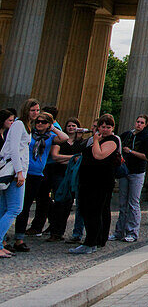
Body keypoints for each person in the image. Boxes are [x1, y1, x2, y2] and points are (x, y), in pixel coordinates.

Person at [11, 109, 65, 251]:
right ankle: (9, 236)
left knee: (27, 205)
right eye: (38, 121)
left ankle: (19, 237)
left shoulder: (50, 136)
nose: (40, 124)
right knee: (18, 206)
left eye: (43, 122)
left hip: (37, 174)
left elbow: (65, 138)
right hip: (24, 172)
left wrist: (53, 126)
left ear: (48, 124)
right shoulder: (29, 133)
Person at [69, 114, 120, 254]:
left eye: (108, 127)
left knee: (94, 211)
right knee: (87, 209)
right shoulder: (95, 139)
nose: (104, 130)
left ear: (112, 128)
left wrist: (96, 141)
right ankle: (95, 239)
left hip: (100, 181)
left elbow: (99, 155)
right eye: (102, 127)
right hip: (88, 180)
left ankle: (91, 242)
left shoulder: (112, 140)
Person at [112, 114, 148, 242]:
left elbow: (147, 156)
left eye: (141, 122)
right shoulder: (127, 135)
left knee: (133, 203)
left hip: (137, 172)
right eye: (137, 122)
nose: (139, 124)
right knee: (123, 203)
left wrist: (130, 151)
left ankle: (132, 232)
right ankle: (119, 231)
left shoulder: (147, 138)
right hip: (125, 171)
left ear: (146, 124)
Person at [47, 118, 86, 240]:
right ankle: (54, 230)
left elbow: (80, 159)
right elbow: (55, 157)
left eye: (74, 125)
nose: (71, 128)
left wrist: (64, 159)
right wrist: (72, 158)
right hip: (58, 173)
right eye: (69, 125)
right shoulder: (60, 141)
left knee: (67, 204)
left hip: (71, 176)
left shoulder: (80, 143)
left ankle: (59, 232)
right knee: (58, 202)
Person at [0, 106, 29, 259]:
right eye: (33, 110)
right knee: (15, 208)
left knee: (5, 208)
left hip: (12, 172)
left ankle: (0, 243)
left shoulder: (18, 126)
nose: (36, 114)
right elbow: (14, 150)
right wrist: (19, 172)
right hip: (13, 173)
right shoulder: (19, 125)